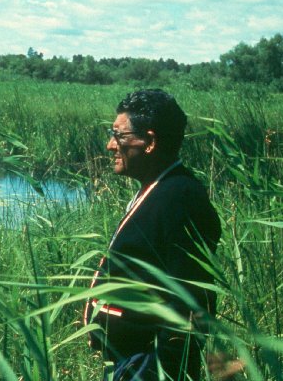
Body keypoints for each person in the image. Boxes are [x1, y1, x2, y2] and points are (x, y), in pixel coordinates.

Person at [84, 89, 221, 380]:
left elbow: (189, 303)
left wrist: (162, 370)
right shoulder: (158, 189)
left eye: (119, 136)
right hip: (130, 360)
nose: (110, 145)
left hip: (151, 364)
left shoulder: (181, 198)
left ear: (150, 142)